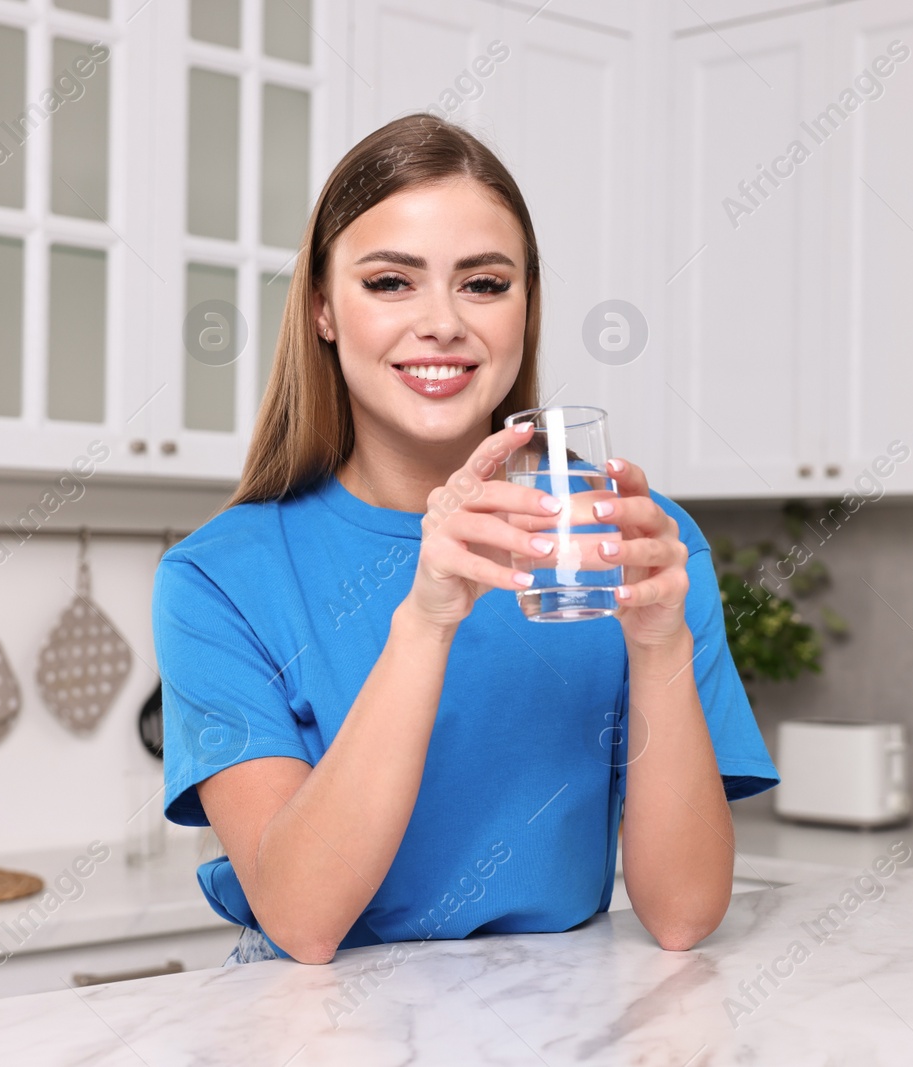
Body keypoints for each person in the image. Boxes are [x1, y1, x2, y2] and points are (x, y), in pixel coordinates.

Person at [151, 113, 778, 968]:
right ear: (324, 310)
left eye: (484, 283)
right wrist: (427, 618)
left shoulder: (630, 545)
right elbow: (302, 918)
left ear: (526, 308)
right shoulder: (216, 580)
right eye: (390, 282)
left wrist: (660, 641)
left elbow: (683, 916)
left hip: (561, 1022)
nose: (443, 322)